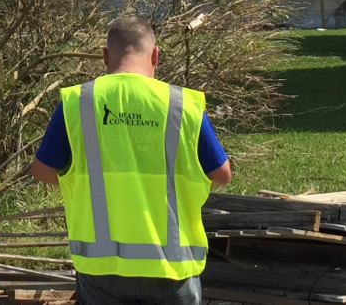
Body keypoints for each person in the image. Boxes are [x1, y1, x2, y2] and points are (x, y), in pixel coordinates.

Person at [31, 16, 231, 305]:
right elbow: (221, 174)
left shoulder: (78, 102)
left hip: (101, 271)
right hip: (171, 270)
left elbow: (42, 171)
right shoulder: (181, 105)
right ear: (155, 55)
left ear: (104, 56)